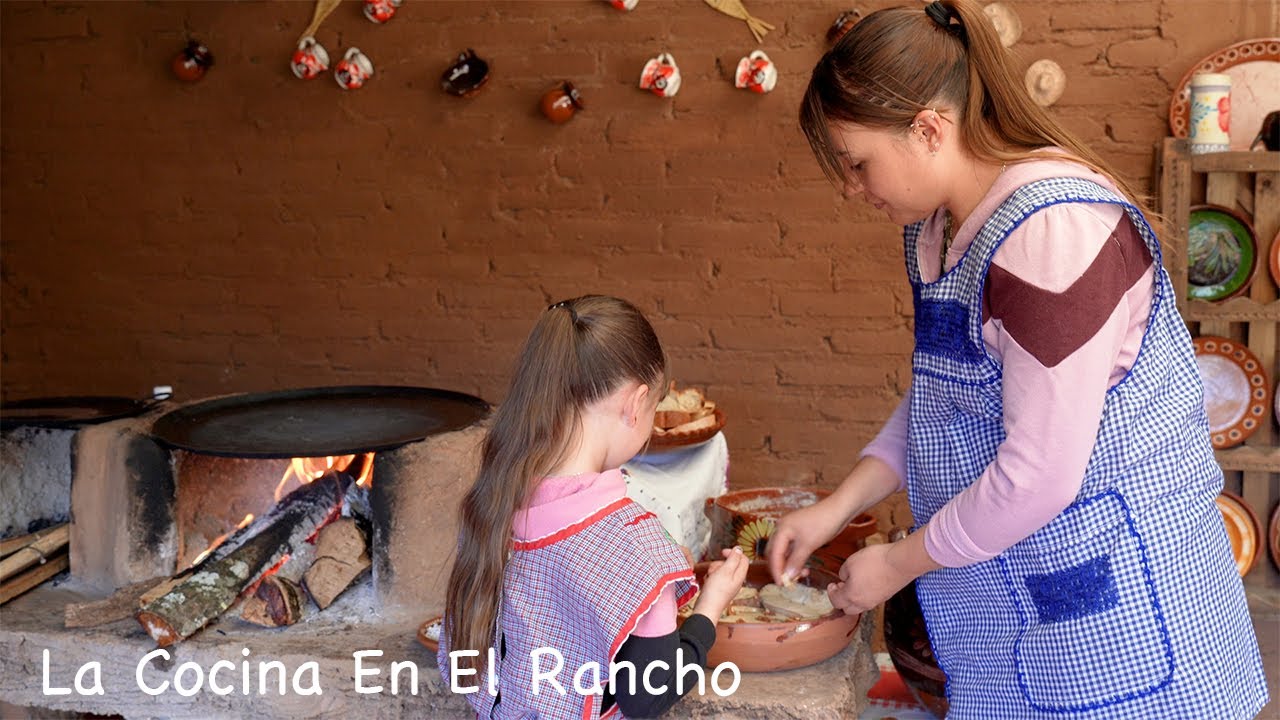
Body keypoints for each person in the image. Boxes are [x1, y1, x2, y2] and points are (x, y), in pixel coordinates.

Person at [766, 2, 1269, 717]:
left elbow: (1039, 475)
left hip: (1120, 600)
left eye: (858, 163)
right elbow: (947, 399)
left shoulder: (1052, 235)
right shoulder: (940, 227)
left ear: (929, 129)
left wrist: (896, 564)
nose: (853, 188)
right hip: (1026, 589)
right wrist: (838, 508)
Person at [439, 294, 748, 719]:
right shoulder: (632, 541)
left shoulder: (495, 498)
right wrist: (709, 608)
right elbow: (647, 695)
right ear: (635, 403)